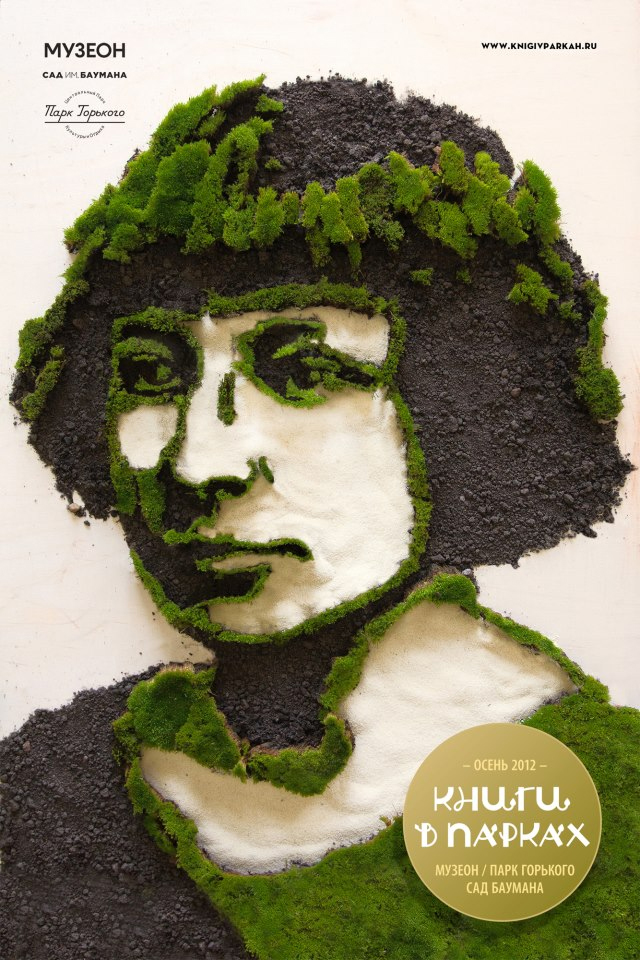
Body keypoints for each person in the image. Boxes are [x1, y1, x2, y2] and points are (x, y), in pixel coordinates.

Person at [11, 76, 636, 954]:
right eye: (152, 377)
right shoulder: (38, 790)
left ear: (464, 406)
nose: (198, 464)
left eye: (304, 373)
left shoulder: (603, 803)